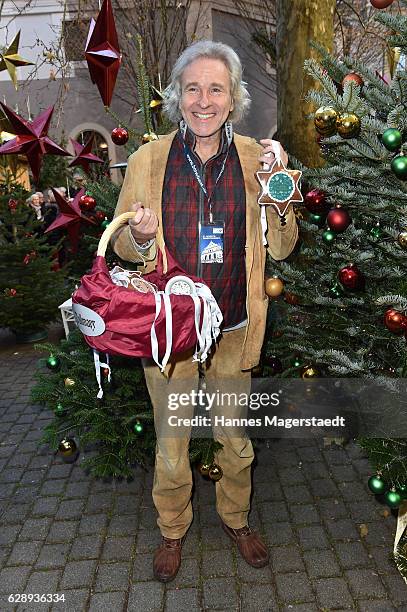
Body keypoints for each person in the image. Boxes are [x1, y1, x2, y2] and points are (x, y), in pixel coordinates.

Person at [111, 40, 298, 583]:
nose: (204, 99)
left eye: (216, 88)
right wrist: (142, 238)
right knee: (172, 445)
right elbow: (122, 244)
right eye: (193, 88)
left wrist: (280, 195)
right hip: (171, 333)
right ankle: (173, 529)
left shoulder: (255, 160)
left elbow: (283, 248)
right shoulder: (149, 159)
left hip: (235, 330)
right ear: (178, 96)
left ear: (233, 97)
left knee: (234, 441)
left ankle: (236, 520)